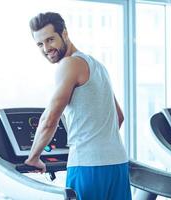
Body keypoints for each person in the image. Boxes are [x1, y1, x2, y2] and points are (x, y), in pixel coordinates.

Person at [24, 12, 132, 200]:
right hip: (118, 163)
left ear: (64, 33)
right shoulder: (97, 66)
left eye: (50, 39)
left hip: (87, 166)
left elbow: (50, 119)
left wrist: (33, 158)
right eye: (40, 44)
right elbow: (119, 117)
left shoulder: (69, 64)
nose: (46, 48)